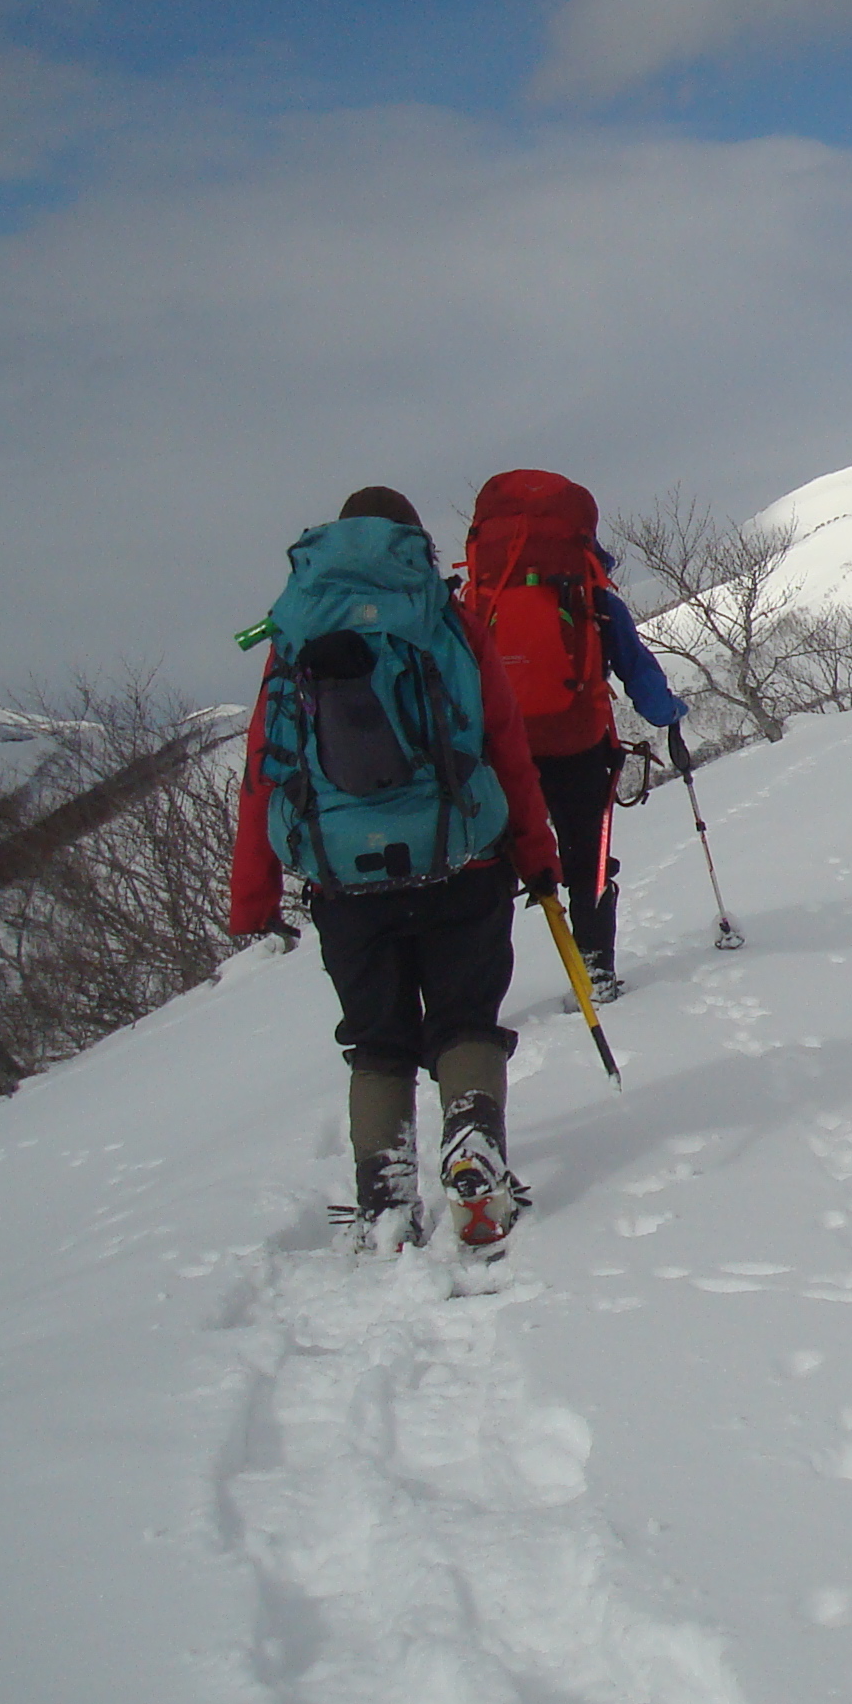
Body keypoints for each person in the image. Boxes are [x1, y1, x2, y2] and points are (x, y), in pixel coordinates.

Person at [231, 486, 559, 1252]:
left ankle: (384, 1198)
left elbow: (262, 771)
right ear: (411, 544)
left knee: (378, 1040)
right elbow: (505, 746)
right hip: (461, 860)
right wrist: (538, 859)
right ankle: (474, 1142)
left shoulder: (296, 632)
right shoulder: (446, 622)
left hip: (344, 878)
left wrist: (253, 897)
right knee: (463, 1019)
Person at [460, 470, 688, 1004]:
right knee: (588, 857)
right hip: (580, 744)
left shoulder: (475, 602)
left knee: (493, 867)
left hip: (500, 755)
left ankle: (474, 999)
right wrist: (669, 712)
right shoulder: (592, 596)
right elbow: (638, 672)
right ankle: (594, 970)